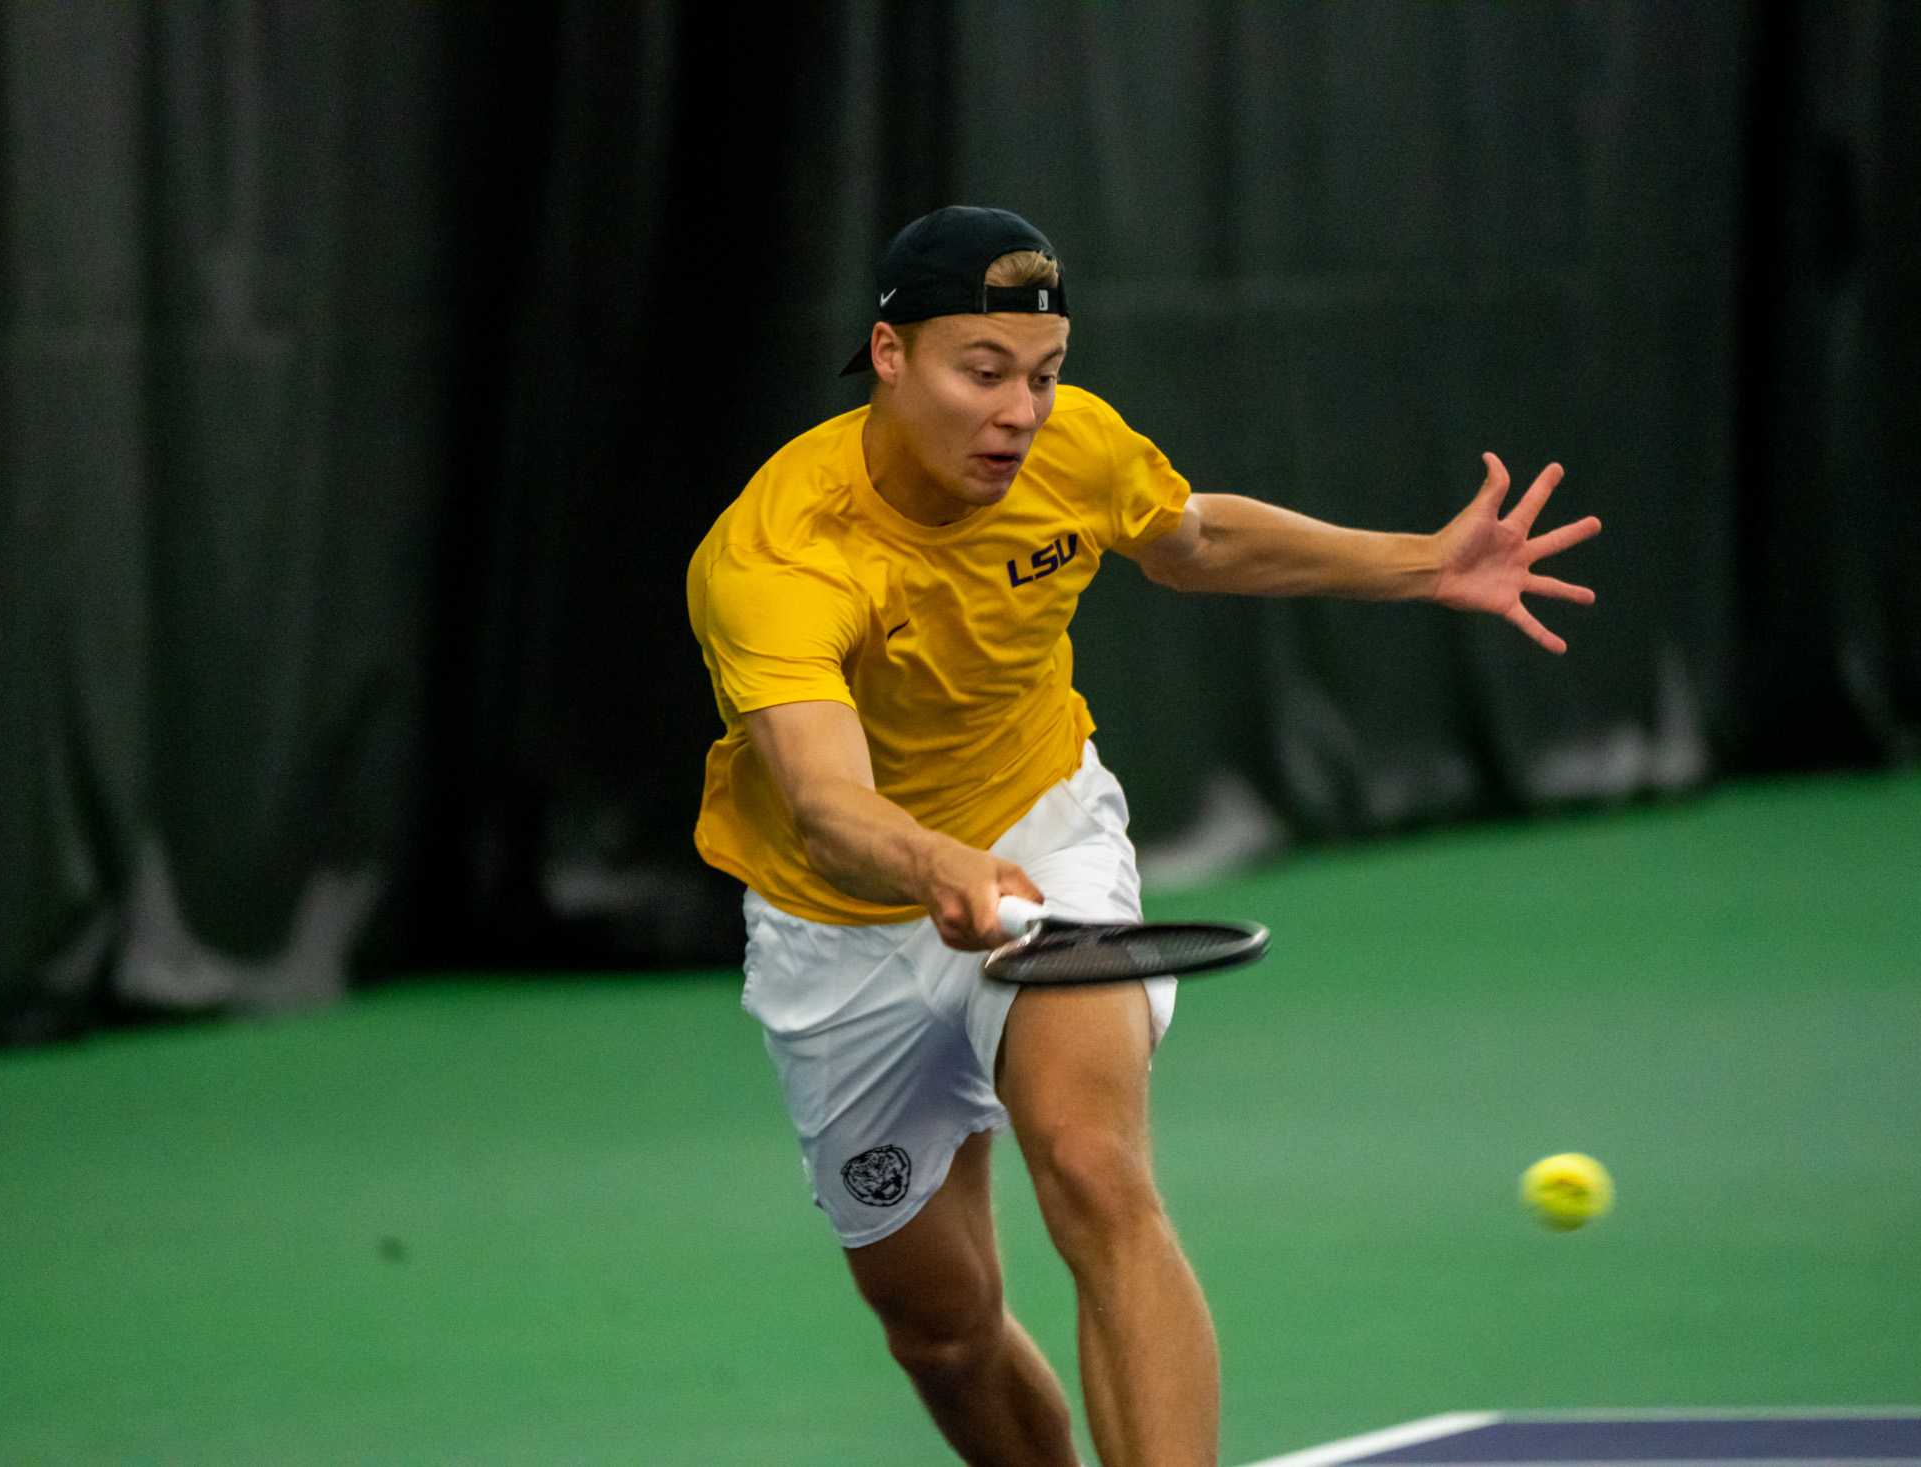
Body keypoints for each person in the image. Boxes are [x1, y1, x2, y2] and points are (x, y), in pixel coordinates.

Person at [686, 205, 1600, 1467]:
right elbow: (831, 807)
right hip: (839, 924)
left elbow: (1192, 538)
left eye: (1044, 375)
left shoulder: (1073, 449)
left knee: (1093, 1167)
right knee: (941, 1332)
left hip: (1041, 830)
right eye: (983, 371)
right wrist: (934, 866)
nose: (1019, 411)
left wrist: (1418, 565)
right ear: (889, 356)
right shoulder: (778, 552)